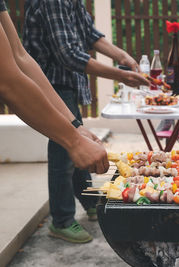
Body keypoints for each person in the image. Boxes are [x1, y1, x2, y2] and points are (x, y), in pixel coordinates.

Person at [23, 0, 150, 243]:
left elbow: (92, 35)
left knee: (79, 144)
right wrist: (120, 75)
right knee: (63, 150)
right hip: (50, 84)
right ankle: (61, 220)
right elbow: (68, 55)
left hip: (67, 84)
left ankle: (91, 202)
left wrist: (125, 58)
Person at [0, 0, 108, 173]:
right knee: (61, 168)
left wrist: (75, 126)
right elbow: (7, 82)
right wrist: (75, 141)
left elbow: (20, 57)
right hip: (57, 81)